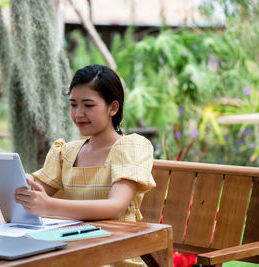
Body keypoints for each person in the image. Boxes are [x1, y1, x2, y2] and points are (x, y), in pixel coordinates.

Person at [14, 64, 156, 266]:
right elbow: (35, 193)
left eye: (88, 105)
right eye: (73, 105)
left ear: (113, 108)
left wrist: (49, 205)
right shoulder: (67, 152)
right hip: (74, 251)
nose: (78, 113)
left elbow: (115, 207)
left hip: (118, 254)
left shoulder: (130, 147)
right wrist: (23, 183)